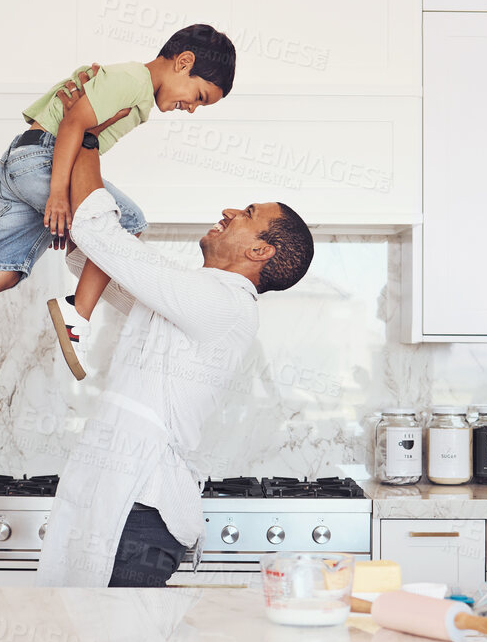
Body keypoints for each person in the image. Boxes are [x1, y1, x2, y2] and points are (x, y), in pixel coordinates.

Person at [35, 79, 315, 587]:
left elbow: (101, 237)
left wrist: (88, 131)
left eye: (247, 216)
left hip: (138, 516)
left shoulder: (222, 305)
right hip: (122, 501)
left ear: (260, 252)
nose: (230, 211)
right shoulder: (191, 295)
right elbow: (91, 259)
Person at [0, 25, 237, 409]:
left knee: (6, 268)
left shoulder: (133, 88)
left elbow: (81, 130)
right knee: (128, 222)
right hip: (41, 160)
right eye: (198, 97)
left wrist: (71, 209)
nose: (191, 108)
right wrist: (58, 194)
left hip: (22, 162)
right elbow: (74, 124)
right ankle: (77, 311)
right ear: (184, 62)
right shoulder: (133, 80)